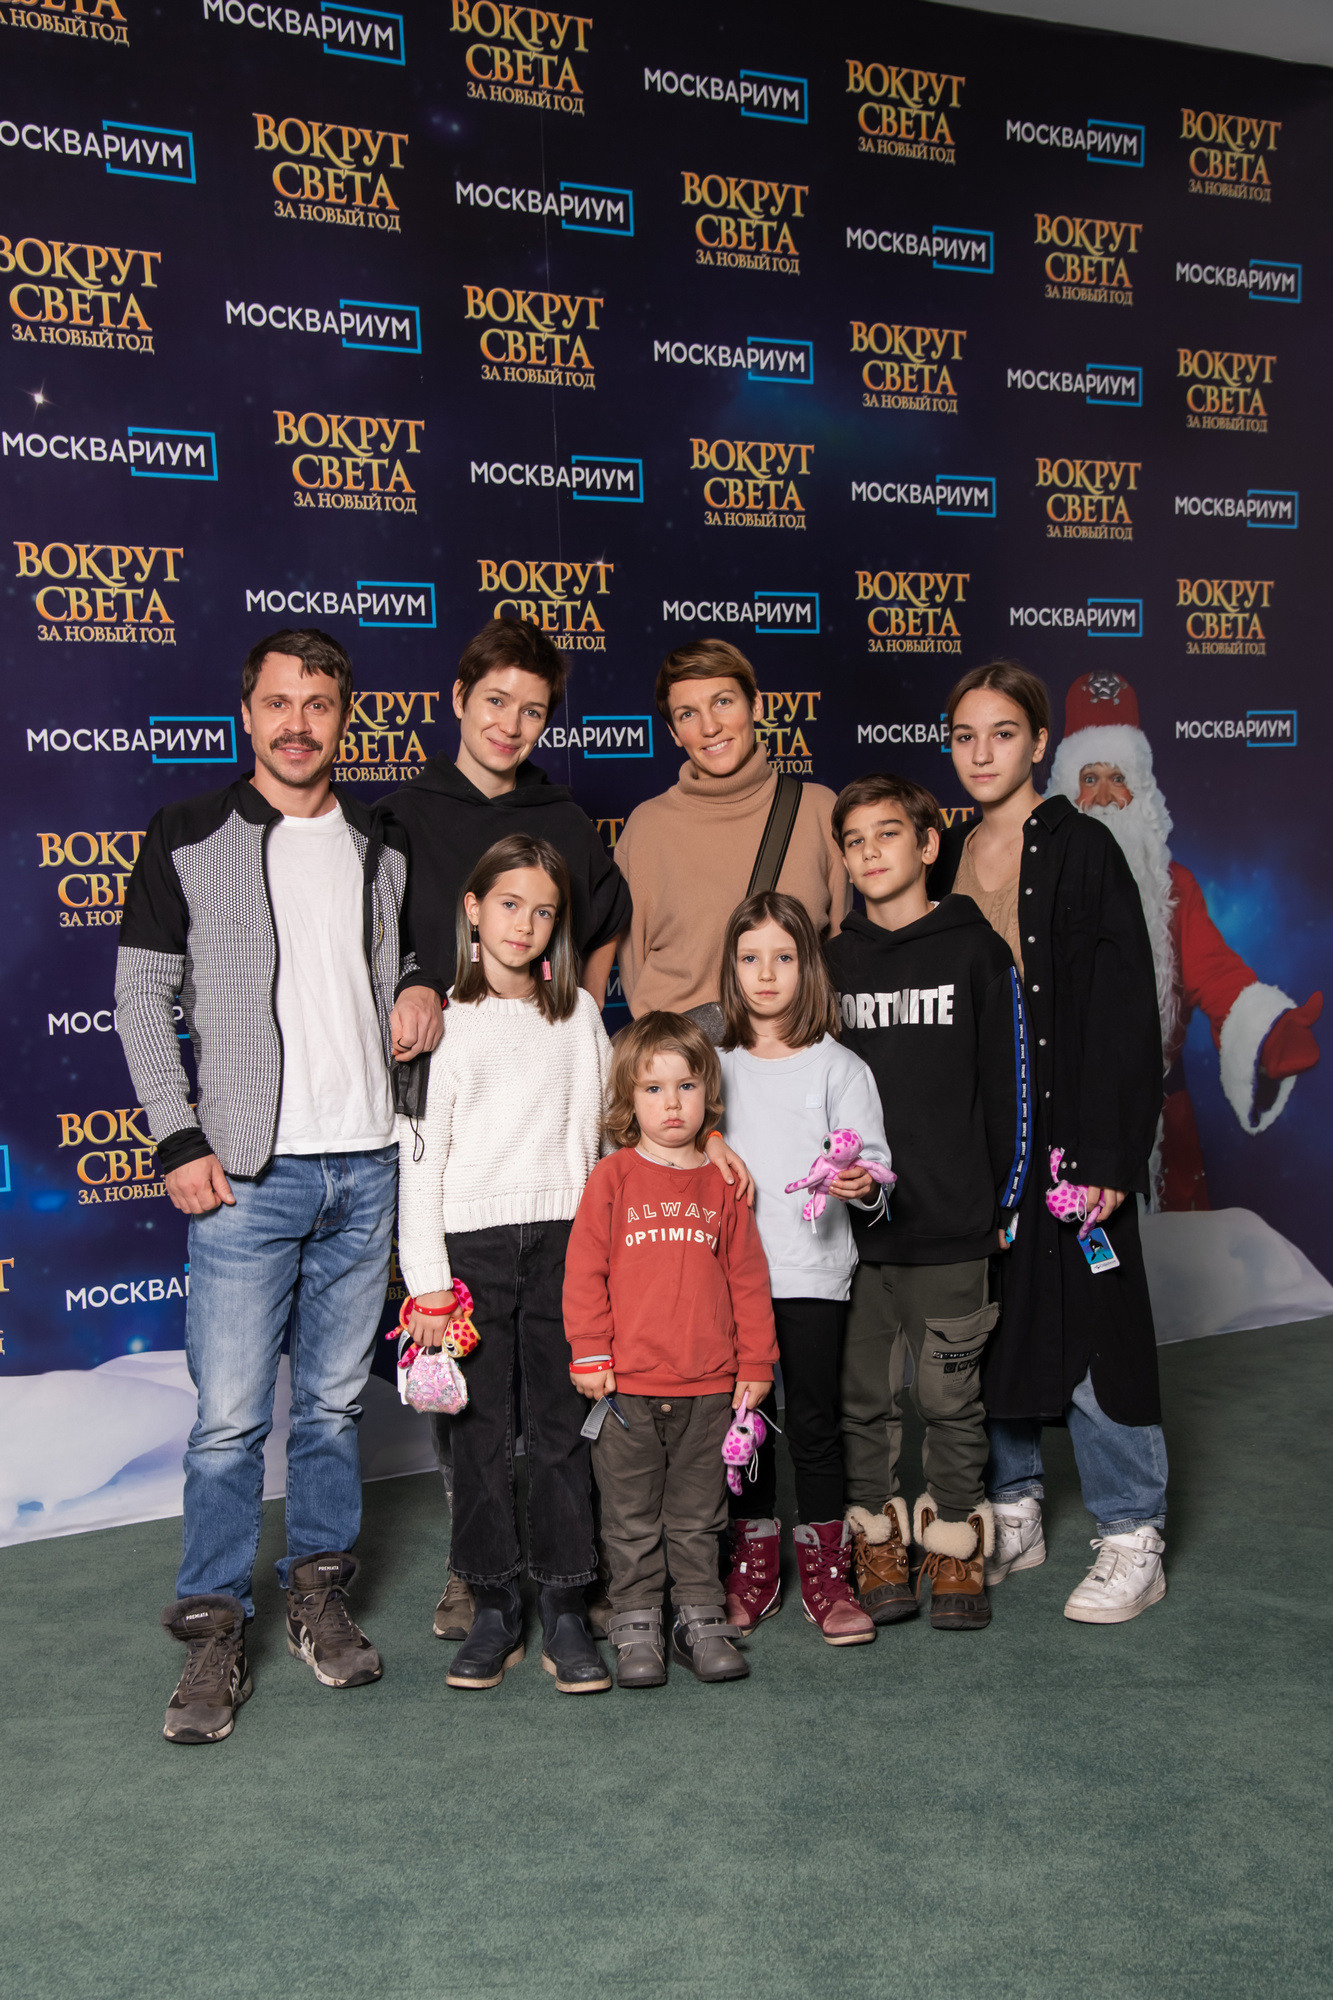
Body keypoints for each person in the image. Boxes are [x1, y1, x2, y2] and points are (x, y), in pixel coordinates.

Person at [115, 627, 444, 1745]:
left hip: (366, 1161)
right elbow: (140, 999)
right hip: (247, 1176)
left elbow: (399, 958)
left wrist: (418, 986)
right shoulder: (187, 834)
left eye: (319, 704)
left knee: (334, 1406)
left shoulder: (382, 839)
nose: (298, 723)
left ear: (345, 718)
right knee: (226, 1420)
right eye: (278, 702)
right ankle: (214, 1624)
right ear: (247, 712)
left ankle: (317, 1591)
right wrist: (178, 1139)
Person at [387, 616, 631, 1642]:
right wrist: (413, 985)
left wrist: (576, 1007)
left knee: (560, 1409)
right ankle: (475, 1572)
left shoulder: (561, 816)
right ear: (458, 697)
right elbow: (380, 938)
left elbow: (603, 920)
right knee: (477, 1412)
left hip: (550, 1166)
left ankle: (569, 1575)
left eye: (532, 710)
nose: (510, 723)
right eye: (495, 701)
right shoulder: (400, 814)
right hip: (449, 1105)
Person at [933, 661, 1169, 1625]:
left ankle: (1131, 1529)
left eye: (1001, 733)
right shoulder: (943, 854)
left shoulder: (1084, 848)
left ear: (1038, 744)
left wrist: (1111, 1153)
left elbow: (1124, 1009)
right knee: (990, 1319)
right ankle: (1015, 1504)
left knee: (1097, 1323)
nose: (981, 753)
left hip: (1073, 1139)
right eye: (963, 736)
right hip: (982, 1144)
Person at [396, 833, 614, 1694]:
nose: (524, 924)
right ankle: (492, 1604)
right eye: (509, 904)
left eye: (543, 911)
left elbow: (605, 1146)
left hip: (567, 1242)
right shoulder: (443, 1021)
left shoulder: (580, 1017)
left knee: (563, 1433)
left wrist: (607, 1264)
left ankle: (565, 1604)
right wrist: (427, 1287)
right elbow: (420, 1162)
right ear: (474, 909)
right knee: (478, 1437)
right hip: (470, 1254)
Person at [825, 775, 1032, 1632]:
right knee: (863, 1402)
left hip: (952, 1227)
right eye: (854, 841)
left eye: (887, 834)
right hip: (851, 1239)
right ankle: (877, 1540)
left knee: (949, 1403)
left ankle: (953, 1541)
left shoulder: (976, 952)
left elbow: (1012, 1087)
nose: (870, 852)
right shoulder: (828, 964)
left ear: (926, 844)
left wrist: (1003, 1205)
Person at [1046, 670, 1320, 1210]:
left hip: (1161, 1122)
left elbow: (1216, 974)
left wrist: (1266, 1030)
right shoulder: (1036, 882)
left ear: (1142, 792)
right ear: (1066, 789)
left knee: (1168, 1254)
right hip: (1062, 1118)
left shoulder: (1175, 887)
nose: (1104, 796)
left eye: (1119, 777)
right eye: (1089, 777)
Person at [563, 1014, 779, 1688]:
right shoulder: (612, 1177)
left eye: (685, 1086)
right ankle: (635, 1620)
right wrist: (590, 1353)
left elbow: (748, 1278)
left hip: (709, 1390)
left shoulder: (723, 1183)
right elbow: (584, 1272)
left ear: (706, 1091)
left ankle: (698, 1616)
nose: (672, 1103)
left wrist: (756, 1363)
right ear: (629, 1100)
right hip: (624, 1391)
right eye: (653, 1089)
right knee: (628, 1517)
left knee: (698, 1515)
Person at [712, 891, 890, 1647]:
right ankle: (752, 1567)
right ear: (731, 969)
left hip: (812, 1275)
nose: (765, 974)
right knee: (743, 1426)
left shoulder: (840, 1068)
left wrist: (860, 1182)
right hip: (730, 1284)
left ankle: (826, 1573)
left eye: (782, 958)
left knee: (814, 1423)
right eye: (750, 958)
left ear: (806, 967)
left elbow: (875, 1168)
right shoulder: (714, 1069)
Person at [613, 637, 849, 1019]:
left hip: (792, 1047)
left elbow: (840, 960)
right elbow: (635, 974)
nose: (710, 727)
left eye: (723, 702)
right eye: (687, 714)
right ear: (673, 732)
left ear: (756, 705)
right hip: (685, 1052)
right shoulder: (646, 830)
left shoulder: (819, 810)